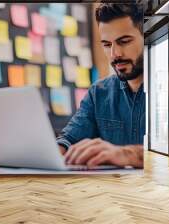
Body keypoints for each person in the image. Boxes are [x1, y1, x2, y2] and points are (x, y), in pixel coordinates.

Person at [57, 3, 145, 168]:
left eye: (124, 41)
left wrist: (128, 154)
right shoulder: (99, 93)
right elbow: (69, 139)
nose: (114, 54)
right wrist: (50, 153)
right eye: (106, 44)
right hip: (108, 192)